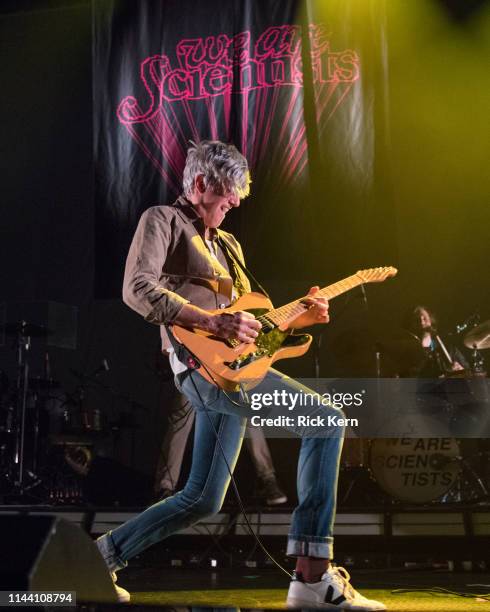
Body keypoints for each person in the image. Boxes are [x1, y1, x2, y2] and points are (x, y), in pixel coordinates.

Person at [96, 140, 385, 610]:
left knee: (202, 499)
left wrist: (298, 321)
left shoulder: (229, 244)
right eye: (228, 193)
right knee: (326, 420)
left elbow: (251, 332)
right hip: (199, 368)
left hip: (235, 370)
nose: (233, 203)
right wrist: (210, 321)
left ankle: (100, 557)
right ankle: (312, 575)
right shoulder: (162, 220)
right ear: (201, 183)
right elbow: (136, 287)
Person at [154, 389, 288, 505]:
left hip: (227, 370)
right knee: (180, 419)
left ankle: (267, 479)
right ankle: (164, 488)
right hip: (194, 368)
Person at [405, 305, 468, 377]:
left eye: (424, 318)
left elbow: (468, 371)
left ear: (431, 320)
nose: (421, 322)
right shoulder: (408, 352)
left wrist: (461, 370)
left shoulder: (450, 349)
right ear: (411, 325)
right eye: (417, 320)